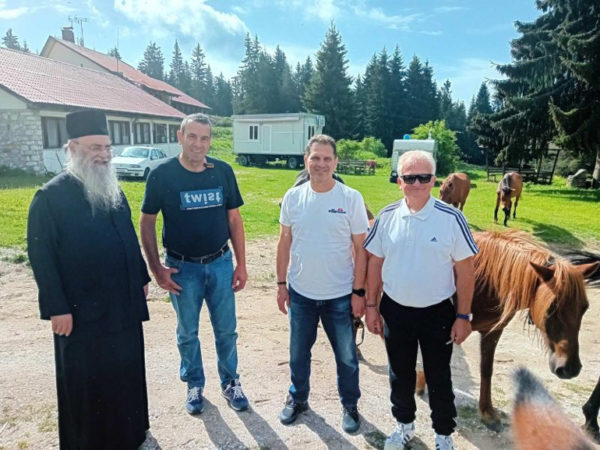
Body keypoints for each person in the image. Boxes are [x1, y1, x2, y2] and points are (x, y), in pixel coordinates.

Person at [27, 110, 155, 450]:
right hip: (80, 312)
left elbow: (127, 237)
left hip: (122, 305)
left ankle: (130, 434)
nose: (104, 155)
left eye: (107, 147)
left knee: (125, 370)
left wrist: (140, 276)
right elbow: (41, 257)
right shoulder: (50, 197)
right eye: (95, 147)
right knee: (86, 380)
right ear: (72, 148)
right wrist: (57, 308)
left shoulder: (113, 190)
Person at [364, 150, 477, 450]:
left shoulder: (452, 218)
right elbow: (375, 263)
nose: (417, 184)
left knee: (439, 375)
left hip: (437, 313)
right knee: (400, 373)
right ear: (399, 181)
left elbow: (465, 271)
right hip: (395, 310)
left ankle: (443, 433)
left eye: (423, 177)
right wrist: (371, 306)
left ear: (434, 180)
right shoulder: (387, 216)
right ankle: (403, 425)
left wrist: (463, 316)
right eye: (410, 177)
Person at [140, 113, 249, 415]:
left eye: (204, 138)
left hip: (220, 263)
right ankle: (194, 383)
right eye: (192, 136)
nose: (198, 144)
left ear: (210, 141)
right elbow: (147, 222)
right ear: (180, 137)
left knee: (226, 330)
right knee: (187, 332)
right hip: (182, 268)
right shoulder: (161, 174)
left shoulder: (223, 171)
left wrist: (241, 264)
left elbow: (234, 219)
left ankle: (231, 382)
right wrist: (156, 269)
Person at [276, 134, 369, 433]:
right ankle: (298, 398)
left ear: (336, 162)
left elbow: (361, 249)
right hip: (301, 293)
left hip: (340, 295)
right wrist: (281, 284)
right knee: (298, 354)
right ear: (306, 161)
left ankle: (350, 405)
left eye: (327, 158)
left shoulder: (351, 198)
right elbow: (284, 242)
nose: (321, 164)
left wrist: (359, 291)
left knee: (347, 357)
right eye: (315, 158)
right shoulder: (293, 197)